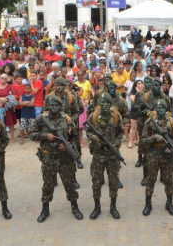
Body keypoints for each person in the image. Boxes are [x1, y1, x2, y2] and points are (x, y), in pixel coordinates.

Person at [28, 95, 83, 222]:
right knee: (48, 184)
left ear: (60, 106)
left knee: (69, 183)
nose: (53, 108)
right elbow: (31, 134)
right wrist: (45, 136)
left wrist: (68, 146)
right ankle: (45, 210)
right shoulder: (41, 119)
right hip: (48, 157)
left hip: (65, 158)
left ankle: (75, 207)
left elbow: (75, 138)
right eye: (51, 105)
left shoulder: (67, 119)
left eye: (56, 105)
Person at [86, 92, 124, 220]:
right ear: (99, 104)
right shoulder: (94, 116)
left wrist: (115, 144)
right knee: (96, 181)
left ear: (111, 103)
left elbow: (121, 133)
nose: (105, 105)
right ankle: (97, 207)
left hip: (112, 156)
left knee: (113, 182)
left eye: (107, 102)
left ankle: (113, 206)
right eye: (103, 103)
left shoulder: (116, 116)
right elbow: (88, 132)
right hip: (98, 155)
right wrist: (95, 138)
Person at [141, 99, 173, 217]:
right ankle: (148, 203)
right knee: (151, 179)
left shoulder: (171, 122)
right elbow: (142, 140)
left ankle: (169, 203)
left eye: (162, 108)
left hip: (168, 155)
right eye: (158, 108)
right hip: (153, 154)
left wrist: (172, 147)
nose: (160, 110)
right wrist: (154, 137)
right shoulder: (149, 123)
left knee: (168, 180)